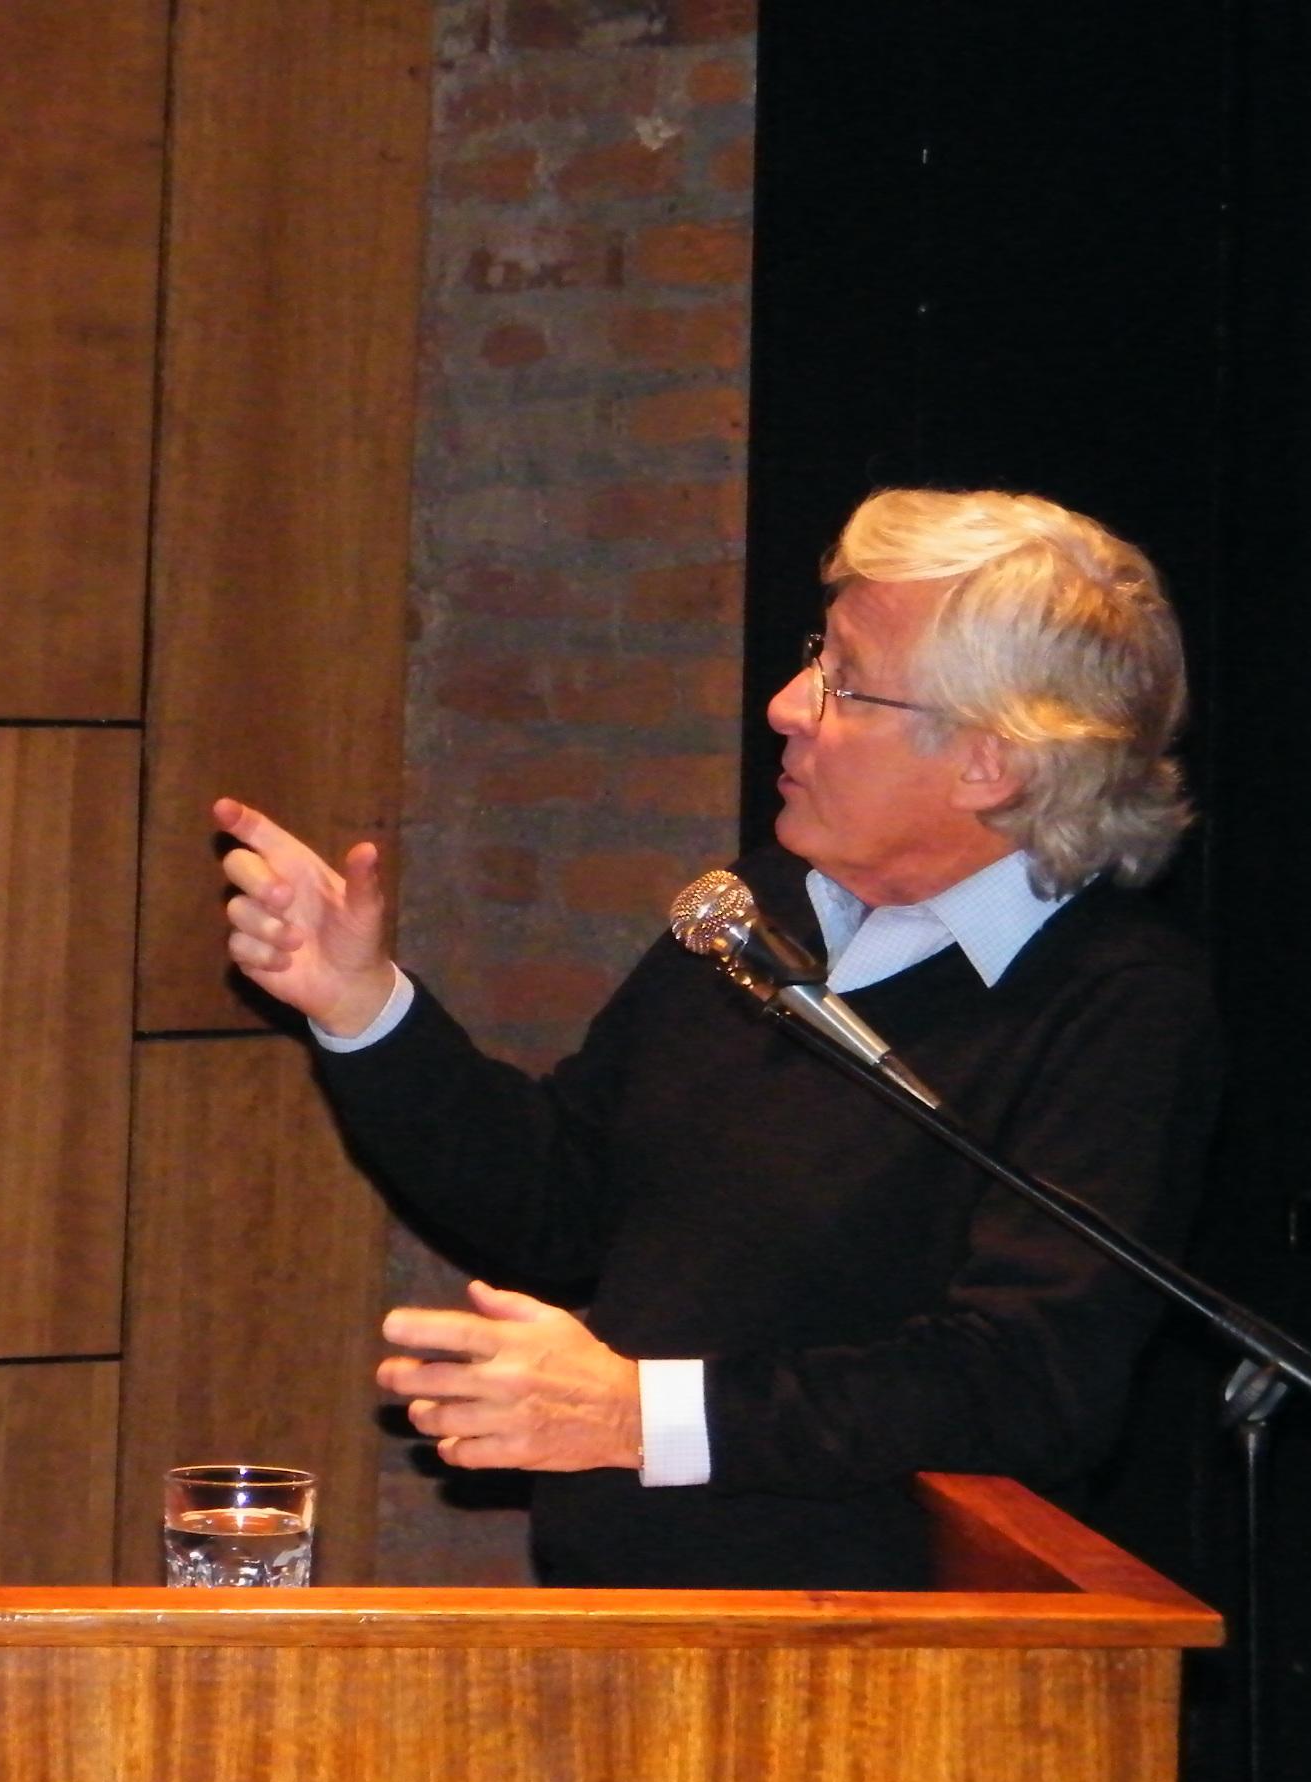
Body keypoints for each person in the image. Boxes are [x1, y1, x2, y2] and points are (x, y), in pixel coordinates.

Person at [216, 487, 1222, 1589]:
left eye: (844, 682)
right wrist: (361, 1007)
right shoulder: (757, 915)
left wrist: (638, 1414)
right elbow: (562, 1207)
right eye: (813, 658)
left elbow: (1021, 1384)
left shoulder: (1113, 1003)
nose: (789, 705)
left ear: (989, 762)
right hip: (635, 1617)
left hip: (884, 1666)